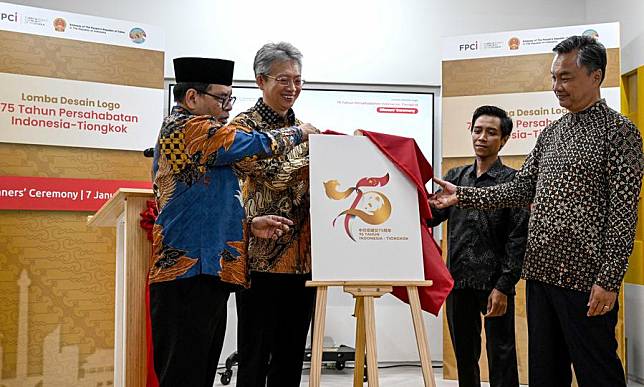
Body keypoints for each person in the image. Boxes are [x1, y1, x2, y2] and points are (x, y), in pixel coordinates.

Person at [430, 36, 644, 387]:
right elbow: (520, 188)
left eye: (566, 77)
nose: (556, 86)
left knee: (598, 373)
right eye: (554, 77)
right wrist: (463, 197)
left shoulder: (620, 134)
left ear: (596, 76)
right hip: (540, 276)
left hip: (585, 280)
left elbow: (624, 215)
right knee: (545, 374)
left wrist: (608, 281)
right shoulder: (552, 132)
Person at [149, 56, 317, 387]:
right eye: (221, 98)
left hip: (212, 271)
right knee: (182, 375)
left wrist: (249, 224)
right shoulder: (182, 129)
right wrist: (300, 133)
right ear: (193, 97)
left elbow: (208, 204)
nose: (227, 108)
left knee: (201, 370)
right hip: (184, 273)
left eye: (230, 98)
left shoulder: (210, 140)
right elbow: (248, 143)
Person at [231, 42, 314, 387]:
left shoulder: (305, 127)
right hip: (260, 259)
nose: (292, 88)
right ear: (260, 80)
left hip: (305, 260)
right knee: (255, 353)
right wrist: (315, 152)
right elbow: (275, 175)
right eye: (283, 79)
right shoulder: (241, 128)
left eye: (297, 80)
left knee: (292, 354)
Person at [429, 105, 528, 387]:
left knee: (502, 355)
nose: (482, 137)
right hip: (458, 282)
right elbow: (432, 216)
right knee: (464, 355)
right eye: (477, 130)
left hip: (495, 283)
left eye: (491, 132)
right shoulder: (455, 178)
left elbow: (517, 239)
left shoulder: (512, 182)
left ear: (504, 139)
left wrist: (504, 286)